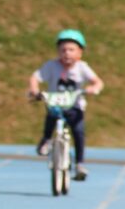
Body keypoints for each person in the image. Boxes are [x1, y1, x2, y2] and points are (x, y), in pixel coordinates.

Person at [27, 29, 105, 181]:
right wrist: (34, 90)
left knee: (78, 131)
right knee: (50, 119)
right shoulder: (51, 66)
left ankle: (80, 164)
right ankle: (46, 140)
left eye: (71, 50)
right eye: (63, 50)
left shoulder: (82, 67)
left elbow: (98, 81)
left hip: (74, 106)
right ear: (58, 51)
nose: (67, 53)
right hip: (55, 105)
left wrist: (93, 88)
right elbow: (35, 78)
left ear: (80, 52)